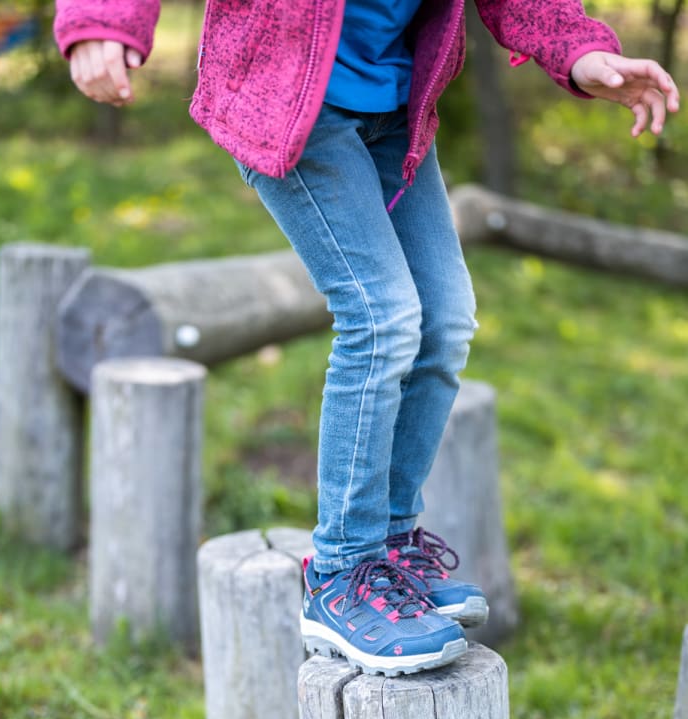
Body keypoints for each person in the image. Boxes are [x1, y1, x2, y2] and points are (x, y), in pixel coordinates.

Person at [54, 0, 679, 677]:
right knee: (381, 318)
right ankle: (342, 571)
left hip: (394, 109)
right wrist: (102, 22)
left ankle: (388, 544)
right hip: (291, 100)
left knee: (445, 320)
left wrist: (580, 51)